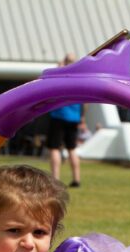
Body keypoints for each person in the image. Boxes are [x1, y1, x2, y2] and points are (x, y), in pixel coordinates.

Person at [47, 54, 86, 188]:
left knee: (54, 148)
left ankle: (55, 179)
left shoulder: (61, 75)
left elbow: (50, 82)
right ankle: (76, 179)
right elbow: (84, 102)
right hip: (74, 118)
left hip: (59, 115)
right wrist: (82, 117)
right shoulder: (80, 79)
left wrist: (59, 66)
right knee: (72, 148)